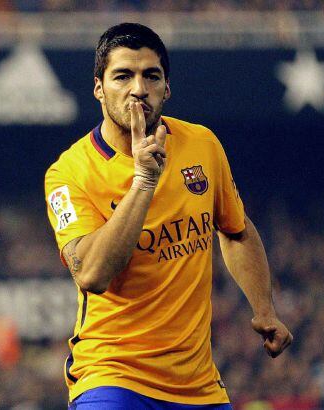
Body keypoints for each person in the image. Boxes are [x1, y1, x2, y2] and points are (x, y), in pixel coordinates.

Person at [44, 23, 293, 409]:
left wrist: (265, 309)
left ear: (167, 88)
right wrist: (143, 181)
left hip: (198, 386)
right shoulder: (69, 174)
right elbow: (92, 274)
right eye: (123, 76)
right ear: (98, 88)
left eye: (151, 76)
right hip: (112, 376)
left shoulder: (202, 144)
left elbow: (235, 230)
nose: (138, 89)